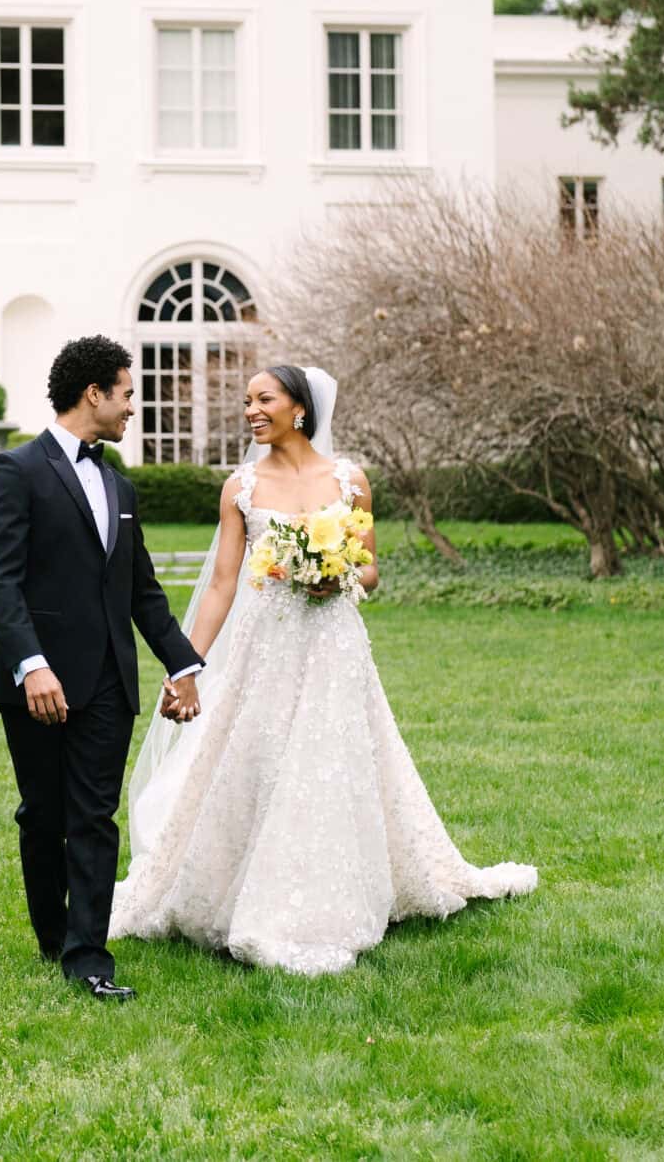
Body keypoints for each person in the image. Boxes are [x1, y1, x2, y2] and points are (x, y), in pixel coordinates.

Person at [111, 363, 537, 975]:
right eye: (247, 402)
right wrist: (187, 667)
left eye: (264, 399)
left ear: (300, 409)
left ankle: (332, 896)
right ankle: (238, 888)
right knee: (257, 760)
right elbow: (221, 587)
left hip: (333, 646)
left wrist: (333, 571)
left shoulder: (350, 481)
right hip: (264, 650)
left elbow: (369, 570)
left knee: (330, 763)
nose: (251, 411)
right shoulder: (240, 488)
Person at [0, 334, 205, 1002]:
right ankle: (53, 937)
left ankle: (89, 958)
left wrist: (183, 664)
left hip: (108, 681)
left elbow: (143, 593)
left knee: (95, 816)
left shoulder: (120, 484)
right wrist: (31, 664)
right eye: (127, 393)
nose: (133, 406)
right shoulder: (14, 470)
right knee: (44, 815)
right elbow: (0, 580)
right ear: (94, 392)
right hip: (38, 683)